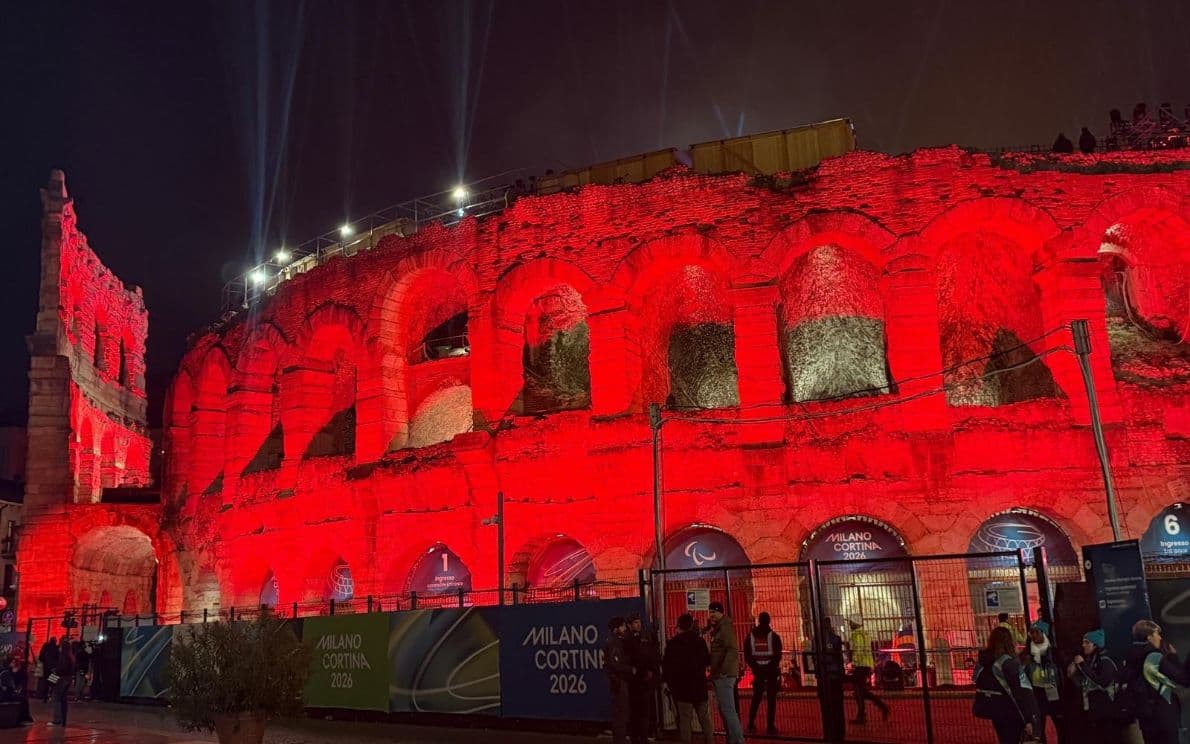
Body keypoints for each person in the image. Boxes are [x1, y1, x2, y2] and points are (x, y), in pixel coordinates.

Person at [1122, 619, 1188, 744]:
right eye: (1157, 634)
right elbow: (1183, 679)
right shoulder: (1153, 657)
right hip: (1163, 715)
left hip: (1145, 717)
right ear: (1149, 637)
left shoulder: (1131, 657)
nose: (1160, 637)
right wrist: (1174, 657)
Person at [973, 626, 1038, 744]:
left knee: (1004, 739)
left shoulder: (985, 661)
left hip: (996, 710)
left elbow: (976, 679)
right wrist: (1029, 718)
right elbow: (1021, 692)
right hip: (1012, 711)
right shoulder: (1008, 662)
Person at [1066, 629, 1125, 744]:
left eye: (1087, 642)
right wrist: (1072, 675)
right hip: (1094, 711)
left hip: (1107, 712)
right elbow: (1083, 684)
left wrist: (1083, 665)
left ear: (1095, 645)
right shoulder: (1090, 661)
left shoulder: (1105, 661)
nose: (1083, 645)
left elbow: (1102, 682)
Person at [663, 614, 714, 744]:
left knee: (685, 720)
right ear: (691, 626)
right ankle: (710, 741)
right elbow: (707, 661)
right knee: (705, 719)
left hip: (682, 689)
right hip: (699, 686)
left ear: (678, 626)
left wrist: (670, 683)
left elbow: (667, 666)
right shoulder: (699, 641)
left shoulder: (673, 643)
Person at [706, 602, 744, 744]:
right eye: (710, 612)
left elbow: (732, 650)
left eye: (714, 612)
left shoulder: (725, 628)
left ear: (721, 613)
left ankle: (738, 740)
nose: (711, 616)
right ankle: (733, 739)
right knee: (724, 710)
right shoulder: (719, 628)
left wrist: (723, 671)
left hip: (724, 676)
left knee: (728, 710)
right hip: (720, 675)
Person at [1022, 620, 1062, 742]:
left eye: (1036, 632)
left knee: (1061, 725)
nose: (1033, 635)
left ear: (1044, 634)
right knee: (1038, 727)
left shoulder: (1054, 653)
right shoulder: (1028, 654)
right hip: (1037, 694)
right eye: (1031, 633)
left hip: (1055, 693)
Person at [744, 611, 783, 735]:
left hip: (758, 671)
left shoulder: (750, 637)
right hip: (771, 672)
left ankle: (751, 723)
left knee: (756, 698)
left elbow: (748, 655)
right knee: (772, 700)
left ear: (759, 621)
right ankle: (770, 726)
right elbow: (778, 655)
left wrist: (756, 668)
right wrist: (771, 667)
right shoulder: (774, 637)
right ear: (769, 621)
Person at [848, 616, 890, 725]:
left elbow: (858, 649)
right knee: (860, 691)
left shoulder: (856, 634)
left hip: (860, 665)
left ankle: (870, 712)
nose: (849, 624)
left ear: (855, 623)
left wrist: (854, 662)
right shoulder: (865, 634)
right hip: (866, 664)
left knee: (859, 690)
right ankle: (864, 714)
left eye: (851, 622)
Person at [626, 613, 660, 744]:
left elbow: (651, 655)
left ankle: (643, 736)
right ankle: (636, 736)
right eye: (635, 623)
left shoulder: (645, 638)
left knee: (645, 710)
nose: (638, 625)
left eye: (639, 622)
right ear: (630, 625)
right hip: (635, 681)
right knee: (635, 711)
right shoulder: (628, 640)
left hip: (644, 680)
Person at [605, 617, 635, 744]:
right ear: (616, 628)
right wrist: (630, 669)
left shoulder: (616, 641)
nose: (625, 629)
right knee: (621, 714)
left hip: (618, 680)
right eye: (622, 626)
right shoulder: (614, 642)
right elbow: (615, 663)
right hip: (619, 681)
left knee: (621, 713)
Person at [818, 618, 847, 743]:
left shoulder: (817, 640)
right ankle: (840, 733)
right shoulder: (836, 639)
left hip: (824, 678)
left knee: (825, 707)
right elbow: (839, 658)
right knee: (838, 707)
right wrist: (841, 672)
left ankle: (828, 732)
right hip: (835, 676)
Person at [48, 641, 74, 728]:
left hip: (60, 680)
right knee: (63, 699)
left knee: (56, 699)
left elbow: (59, 671)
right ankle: (63, 719)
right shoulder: (71, 658)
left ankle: (57, 720)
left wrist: (51, 678)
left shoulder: (62, 658)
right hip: (67, 679)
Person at [0, 656, 33, 725]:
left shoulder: (6, 671)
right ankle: (24, 719)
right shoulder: (6, 672)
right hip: (4, 695)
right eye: (13, 662)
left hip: (5, 693)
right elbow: (9, 686)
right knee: (23, 700)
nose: (14, 664)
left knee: (22, 698)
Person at [36, 637, 58, 702]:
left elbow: (41, 657)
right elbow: (58, 658)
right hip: (54, 669)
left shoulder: (45, 647)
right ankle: (51, 696)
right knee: (53, 683)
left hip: (46, 668)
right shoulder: (56, 649)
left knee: (46, 683)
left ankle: (45, 697)